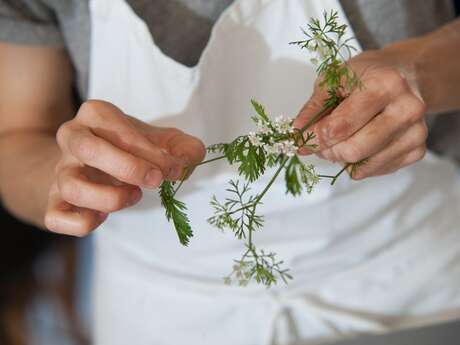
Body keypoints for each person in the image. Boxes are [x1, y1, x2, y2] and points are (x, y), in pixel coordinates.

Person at [0, 0, 460, 344]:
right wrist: (62, 179)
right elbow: (17, 135)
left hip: (409, 291)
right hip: (163, 318)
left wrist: (422, 72)